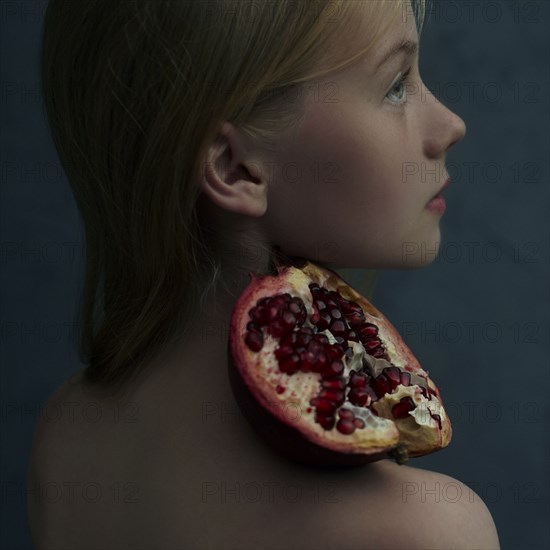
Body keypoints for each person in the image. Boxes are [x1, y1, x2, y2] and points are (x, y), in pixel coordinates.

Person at [28, 1, 500, 548]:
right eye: (395, 85)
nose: (451, 125)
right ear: (236, 167)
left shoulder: (64, 437)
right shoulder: (427, 531)